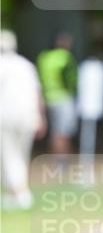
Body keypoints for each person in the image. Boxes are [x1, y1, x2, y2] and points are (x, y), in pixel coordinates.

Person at [0, 30, 46, 208]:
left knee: (9, 155)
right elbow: (37, 93)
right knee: (21, 155)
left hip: (5, 117)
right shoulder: (26, 65)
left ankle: (20, 193)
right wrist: (40, 117)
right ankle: (16, 193)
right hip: (28, 116)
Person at [36, 32, 78, 162]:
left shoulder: (44, 57)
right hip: (63, 98)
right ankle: (63, 162)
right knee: (64, 133)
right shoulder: (65, 57)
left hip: (49, 98)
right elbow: (72, 79)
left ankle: (56, 161)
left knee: (55, 132)